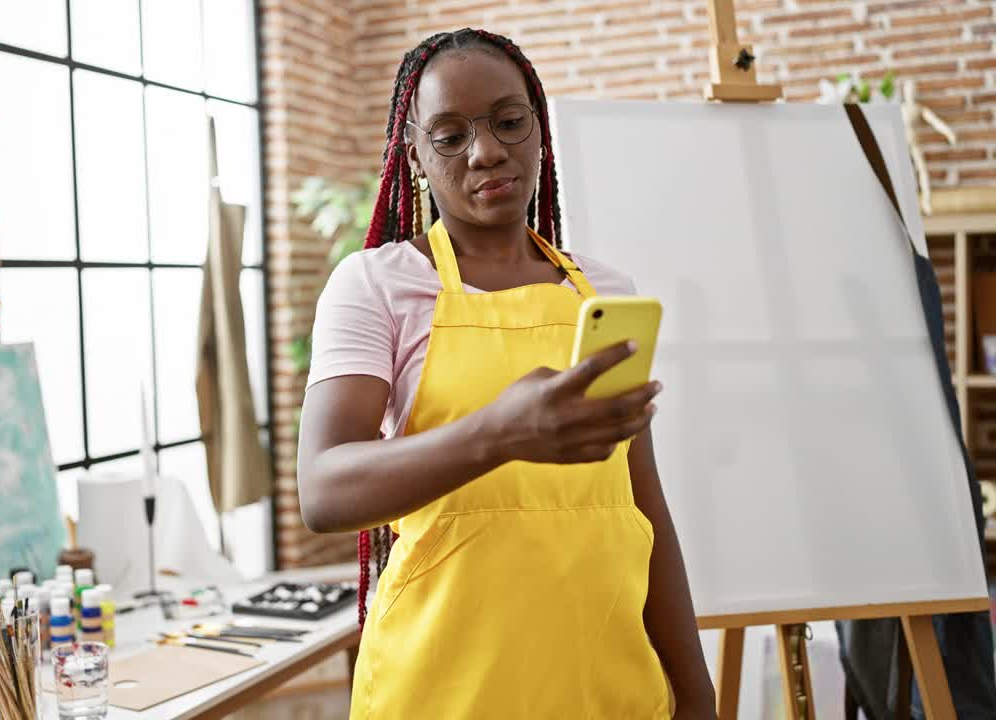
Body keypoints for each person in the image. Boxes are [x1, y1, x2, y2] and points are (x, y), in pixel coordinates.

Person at [297, 28, 715, 718]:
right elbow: (323, 489)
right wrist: (499, 433)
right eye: (450, 135)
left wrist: (697, 697)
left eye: (508, 122)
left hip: (607, 686)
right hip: (445, 687)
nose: (487, 151)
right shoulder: (376, 285)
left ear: (538, 130)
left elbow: (641, 506)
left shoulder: (602, 294)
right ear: (416, 159)